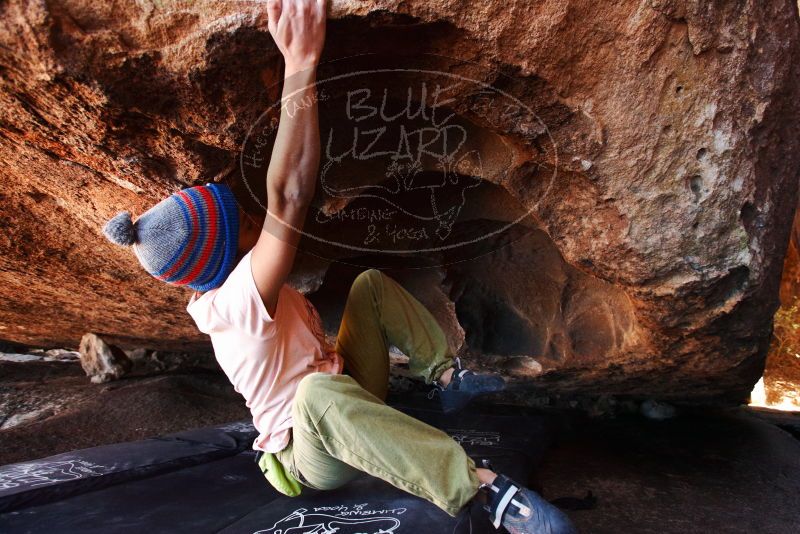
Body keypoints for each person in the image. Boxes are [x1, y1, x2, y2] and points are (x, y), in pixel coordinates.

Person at [102, 1, 575, 532]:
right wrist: (300, 60)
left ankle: (446, 377)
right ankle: (487, 493)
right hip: (312, 454)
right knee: (315, 393)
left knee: (369, 288)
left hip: (341, 392)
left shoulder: (224, 286)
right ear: (226, 251)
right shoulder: (237, 303)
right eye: (243, 221)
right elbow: (290, 195)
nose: (254, 216)